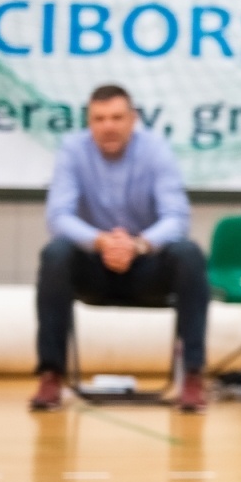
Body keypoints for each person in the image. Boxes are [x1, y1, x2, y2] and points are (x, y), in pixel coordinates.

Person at [30, 84, 208, 413]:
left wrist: (138, 245)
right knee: (55, 254)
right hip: (93, 266)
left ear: (133, 120)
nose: (108, 126)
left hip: (146, 266)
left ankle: (193, 375)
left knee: (189, 254)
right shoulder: (72, 150)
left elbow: (177, 217)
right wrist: (101, 242)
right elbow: (59, 216)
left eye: (116, 117)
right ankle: (51, 374)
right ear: (89, 122)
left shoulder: (156, 150)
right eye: (99, 119)